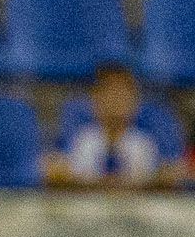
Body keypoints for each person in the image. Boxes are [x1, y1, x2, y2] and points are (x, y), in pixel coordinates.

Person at [43, 64, 187, 191]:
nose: (116, 100)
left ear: (135, 101)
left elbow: (170, 176)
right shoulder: (82, 141)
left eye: (123, 94)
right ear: (95, 99)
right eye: (109, 93)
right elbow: (54, 173)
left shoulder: (143, 144)